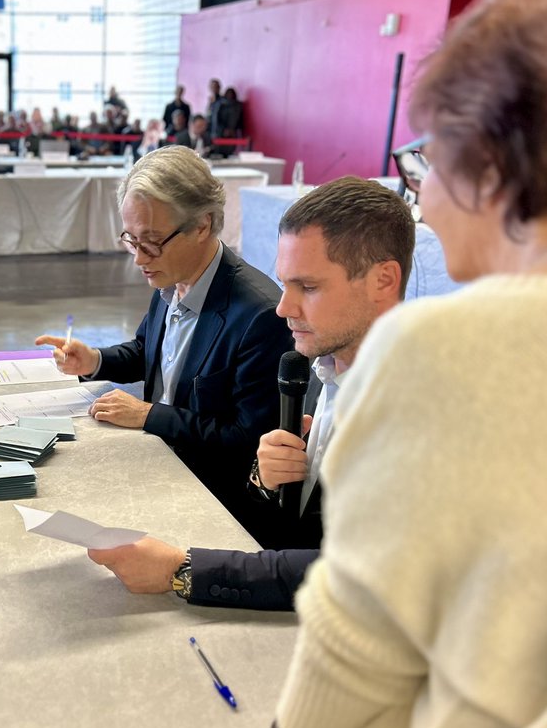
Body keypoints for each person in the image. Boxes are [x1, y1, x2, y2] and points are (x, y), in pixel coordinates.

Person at [164, 0, 547, 728]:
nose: (424, 197)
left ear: (494, 156)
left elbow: (365, 624)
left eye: (427, 159)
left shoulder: (437, 349)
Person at [87, 177, 413, 608]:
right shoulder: (323, 372)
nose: (283, 307)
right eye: (285, 283)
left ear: (383, 280)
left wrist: (182, 571)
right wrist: (267, 480)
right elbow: (291, 532)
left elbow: (361, 573)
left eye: (308, 287)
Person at [36, 145, 292, 539]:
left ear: (202, 225)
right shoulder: (173, 275)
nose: (139, 258)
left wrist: (149, 415)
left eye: (152, 241)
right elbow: (149, 351)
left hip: (211, 497)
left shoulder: (260, 316)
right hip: (157, 456)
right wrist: (95, 360)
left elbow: (245, 441)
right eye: (131, 239)